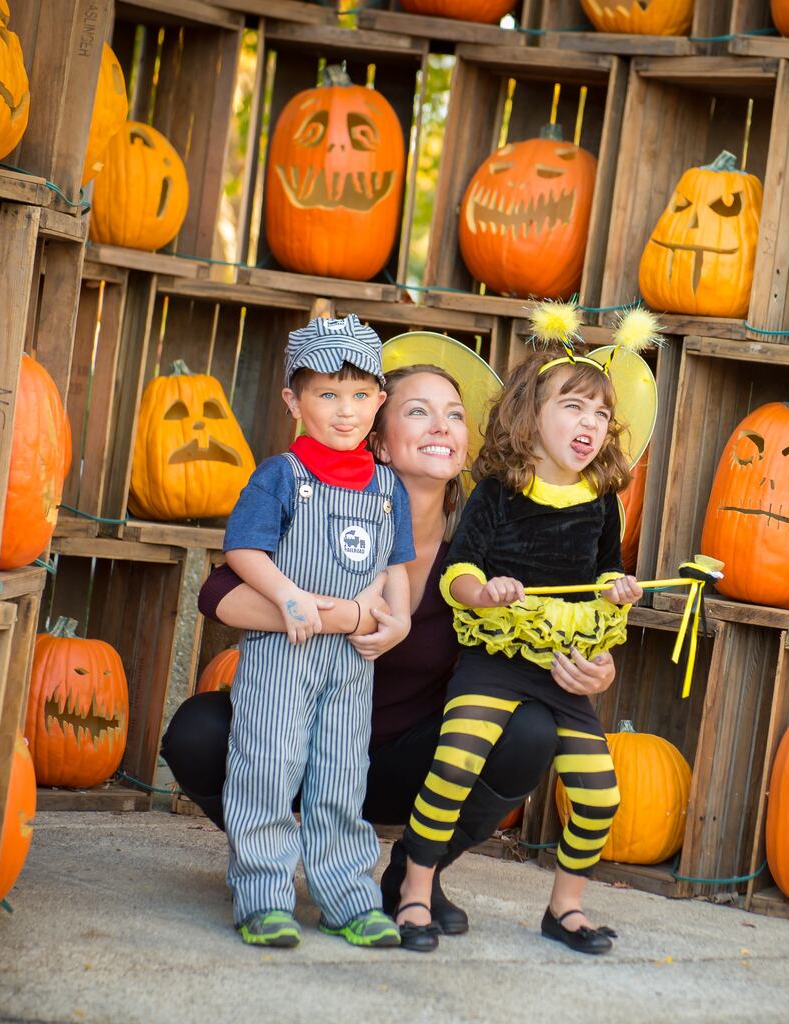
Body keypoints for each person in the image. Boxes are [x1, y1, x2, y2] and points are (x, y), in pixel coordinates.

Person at [161, 337, 620, 952]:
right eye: (418, 411)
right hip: (295, 740)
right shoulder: (321, 510)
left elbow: (556, 611)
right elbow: (219, 592)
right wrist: (348, 615)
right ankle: (277, 864)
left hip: (414, 762)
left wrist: (596, 666)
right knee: (197, 730)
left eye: (454, 414)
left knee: (529, 730)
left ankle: (412, 876)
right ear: (376, 434)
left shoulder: (486, 540)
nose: (442, 427)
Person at [393, 311, 651, 956]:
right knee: (454, 765)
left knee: (600, 795)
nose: (590, 424)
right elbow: (457, 574)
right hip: (495, 661)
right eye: (574, 407)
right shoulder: (500, 492)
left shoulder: (601, 500)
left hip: (563, 670)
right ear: (531, 414)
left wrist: (618, 596)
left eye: (601, 414)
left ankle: (565, 907)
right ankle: (414, 890)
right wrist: (486, 591)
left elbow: (604, 579)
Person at [218, 314, 414, 950]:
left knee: (339, 776)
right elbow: (243, 550)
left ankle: (347, 897)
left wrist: (397, 618)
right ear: (293, 401)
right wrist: (287, 595)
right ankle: (263, 895)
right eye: (327, 394)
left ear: (379, 402)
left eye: (360, 396)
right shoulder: (281, 475)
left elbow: (395, 567)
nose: (345, 410)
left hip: (353, 663)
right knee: (268, 768)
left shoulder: (388, 487)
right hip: (285, 653)